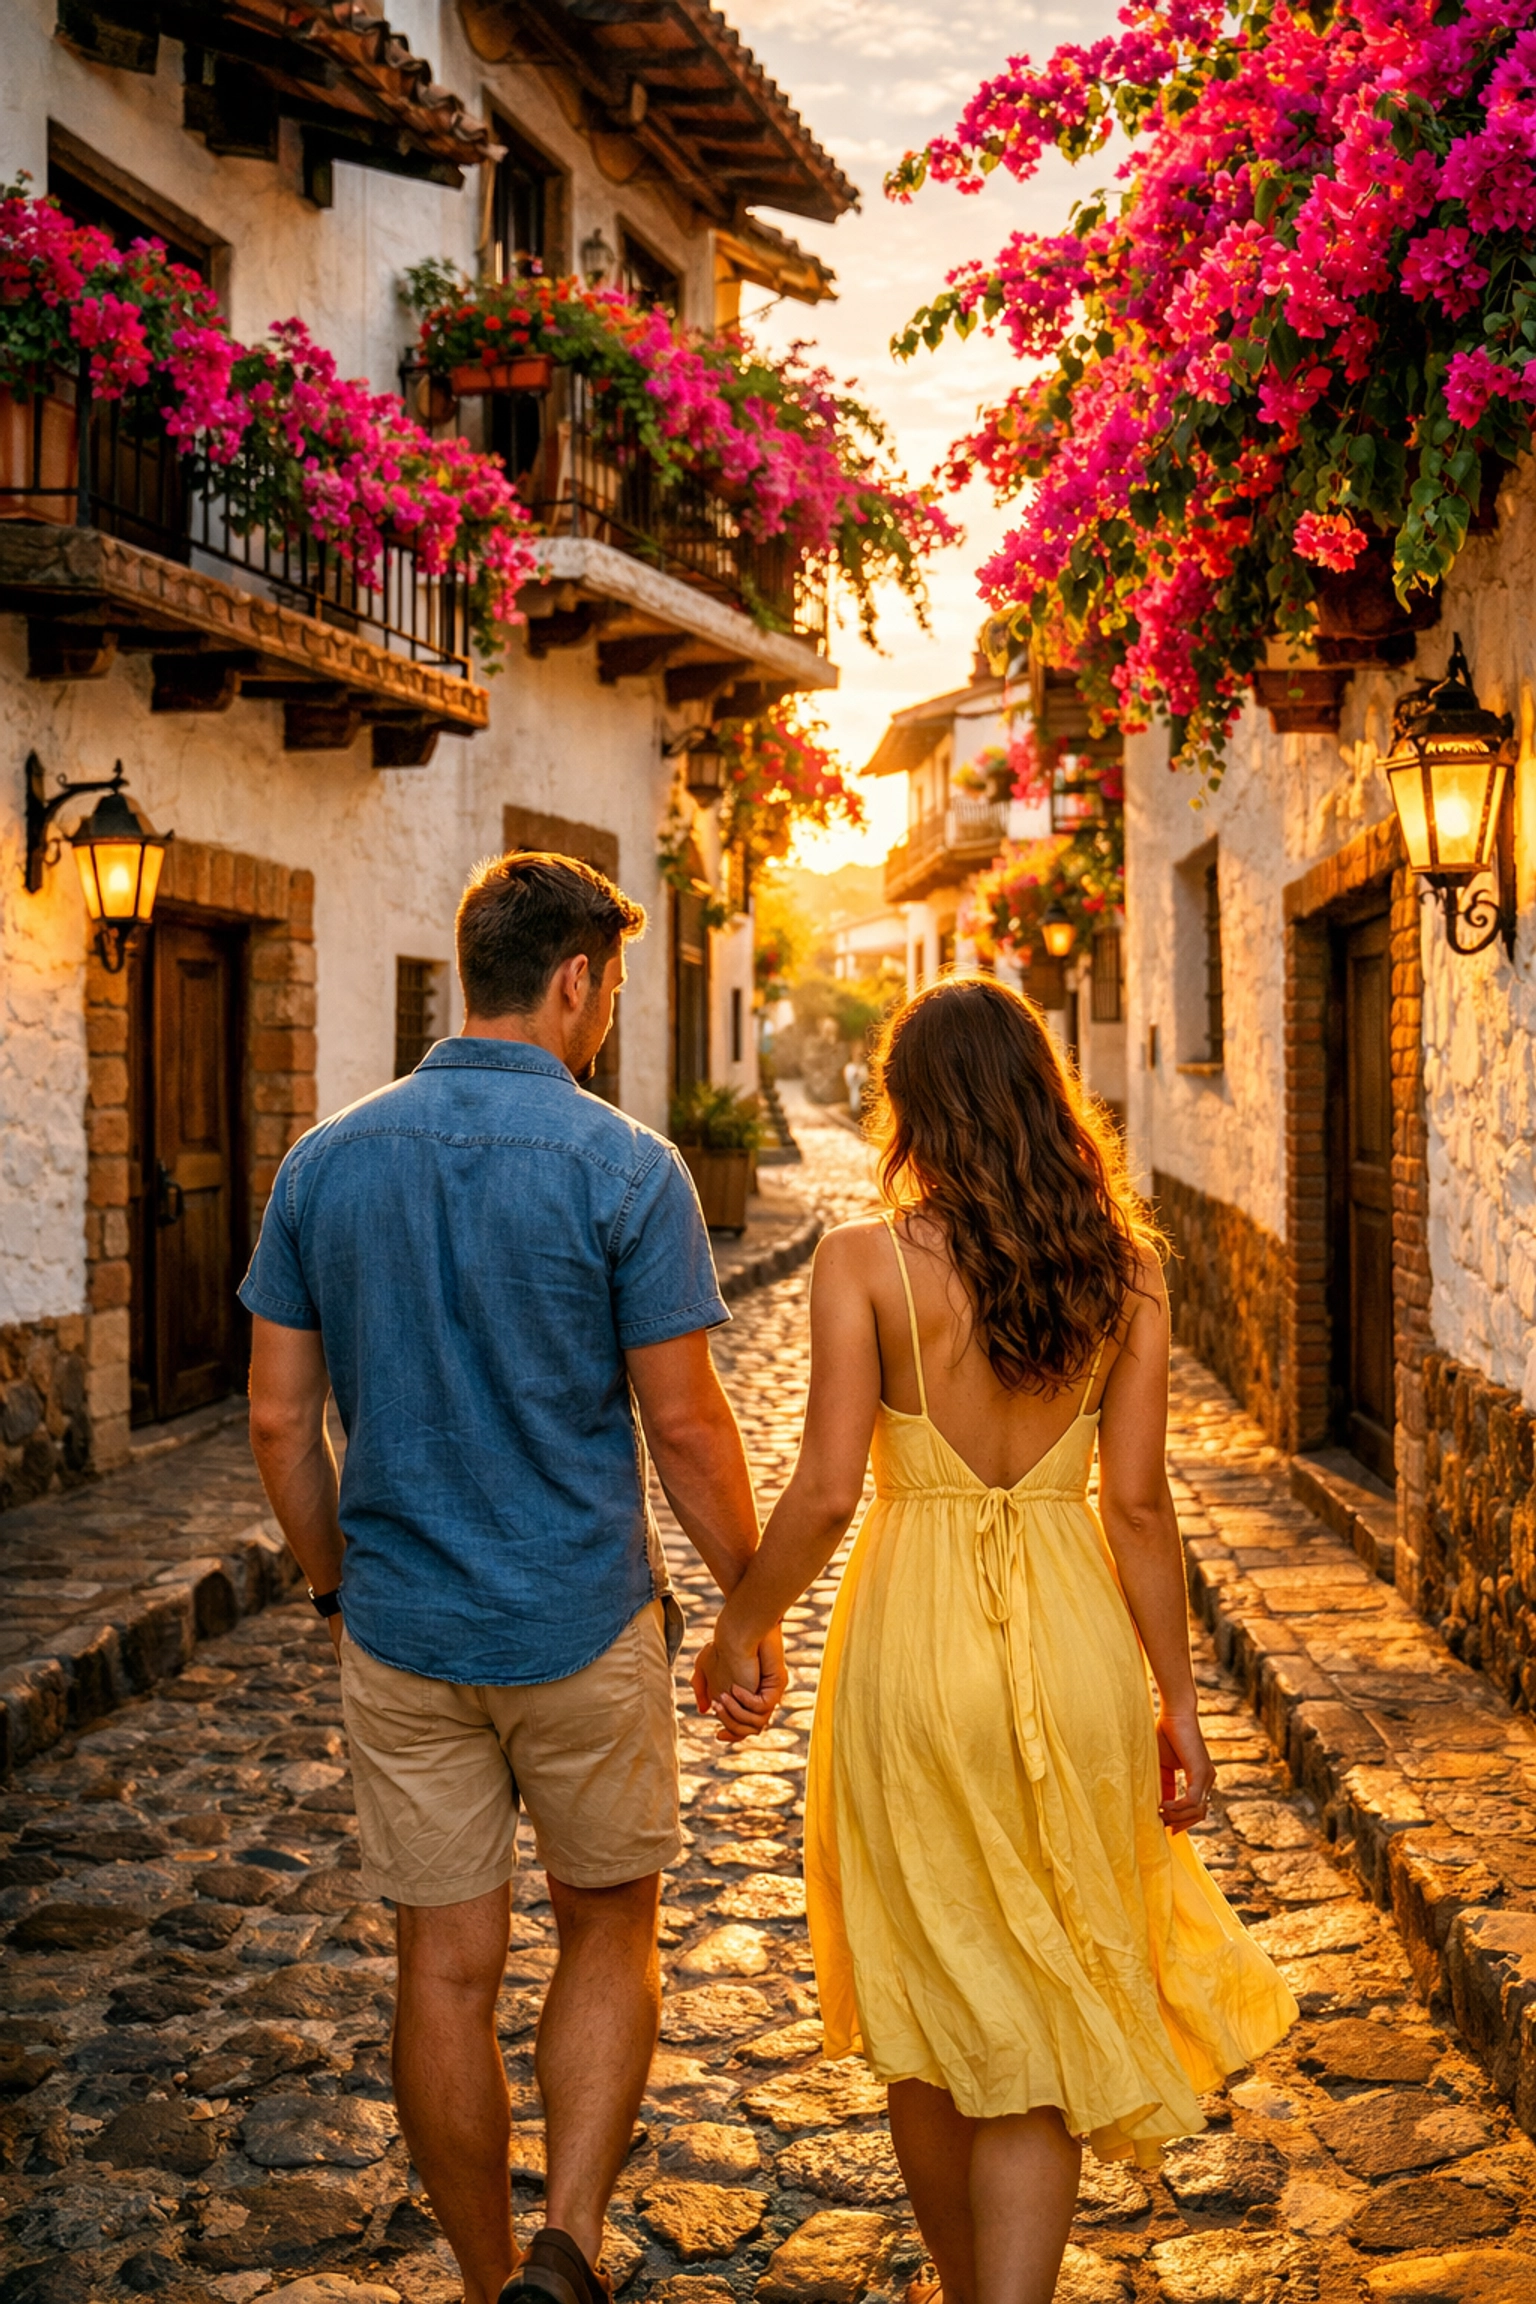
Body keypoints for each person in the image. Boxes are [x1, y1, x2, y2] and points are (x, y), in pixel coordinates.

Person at [697, 977, 1297, 2304]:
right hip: (1076, 1644)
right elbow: (1137, 1507)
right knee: (1040, 1999)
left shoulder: (859, 1261)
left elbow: (829, 1492)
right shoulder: (1127, 1268)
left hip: (911, 1655)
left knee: (925, 2004)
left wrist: (744, 1625)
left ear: (908, 1106)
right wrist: (1179, 1705)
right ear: (1045, 1093)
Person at [241, 852, 784, 2304]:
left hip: (405, 1634)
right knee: (610, 1923)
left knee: (446, 1965)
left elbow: (280, 1421)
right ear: (574, 982)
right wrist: (749, 1597)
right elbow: (682, 1421)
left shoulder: (325, 1163)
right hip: (582, 1626)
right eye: (607, 985)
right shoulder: (627, 1168)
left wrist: (338, 1587)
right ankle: (572, 2245)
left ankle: (489, 2284)